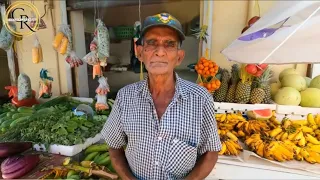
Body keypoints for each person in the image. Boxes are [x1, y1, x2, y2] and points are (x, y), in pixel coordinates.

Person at [102, 12, 221, 180]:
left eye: (169, 44)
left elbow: (211, 151)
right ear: (140, 52)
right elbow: (114, 147)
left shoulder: (200, 99)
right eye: (151, 43)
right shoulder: (125, 97)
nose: (160, 52)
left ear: (179, 57)